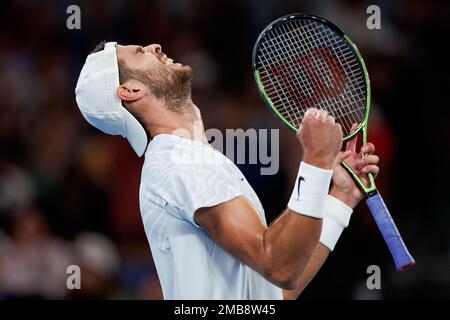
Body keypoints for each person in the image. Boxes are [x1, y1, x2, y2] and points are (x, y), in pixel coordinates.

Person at [75, 41, 380, 300]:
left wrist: (340, 197)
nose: (155, 47)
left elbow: (277, 287)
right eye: (141, 52)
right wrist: (315, 161)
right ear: (131, 90)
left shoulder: (186, 158)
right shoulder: (181, 163)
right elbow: (280, 266)